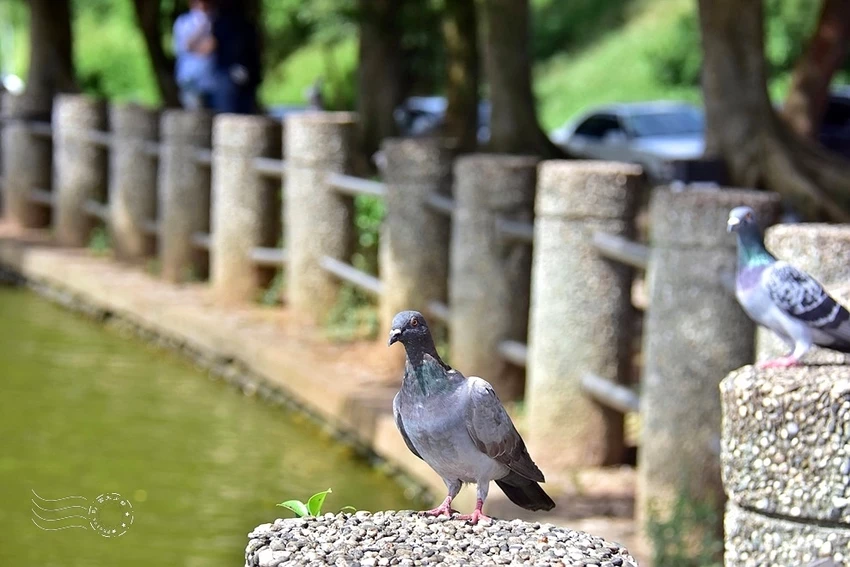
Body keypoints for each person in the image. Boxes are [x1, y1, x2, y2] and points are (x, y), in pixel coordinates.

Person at [210, 1, 262, 114]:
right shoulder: (247, 24)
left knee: (228, 113)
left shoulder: (220, 23)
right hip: (238, 72)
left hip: (228, 74)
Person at [172, 0, 217, 110]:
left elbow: (212, 46)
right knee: (195, 117)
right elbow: (186, 45)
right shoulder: (183, 22)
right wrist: (201, 27)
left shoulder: (216, 20)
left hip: (213, 81)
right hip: (190, 79)